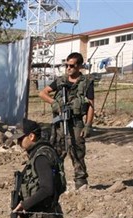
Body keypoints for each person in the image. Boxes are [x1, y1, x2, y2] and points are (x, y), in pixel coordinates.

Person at [39, 52, 94, 190]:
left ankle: (80, 181)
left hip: (76, 123)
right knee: (57, 152)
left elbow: (91, 106)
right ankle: (56, 182)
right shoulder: (60, 81)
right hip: (59, 123)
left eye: (72, 65)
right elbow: (42, 93)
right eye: (66, 65)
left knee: (77, 151)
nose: (68, 68)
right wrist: (54, 103)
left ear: (79, 66)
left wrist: (88, 125)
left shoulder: (86, 83)